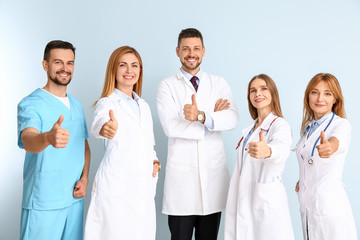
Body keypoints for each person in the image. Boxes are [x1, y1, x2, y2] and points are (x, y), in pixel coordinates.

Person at [157, 28, 239, 240]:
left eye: (195, 49)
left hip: (213, 182)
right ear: (177, 51)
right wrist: (212, 120)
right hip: (181, 186)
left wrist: (201, 116)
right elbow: (170, 127)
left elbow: (231, 119)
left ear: (203, 51)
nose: (190, 54)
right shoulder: (166, 86)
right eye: (185, 49)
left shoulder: (218, 83)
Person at [84, 46, 160, 240]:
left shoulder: (143, 106)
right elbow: (99, 124)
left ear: (140, 71)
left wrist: (155, 161)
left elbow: (148, 144)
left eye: (134, 65)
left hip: (141, 188)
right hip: (116, 188)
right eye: (123, 65)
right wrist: (105, 128)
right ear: (114, 70)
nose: (129, 71)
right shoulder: (107, 103)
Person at [17, 40, 90, 240]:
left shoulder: (76, 105)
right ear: (45, 65)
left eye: (70, 63)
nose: (65, 68)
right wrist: (48, 137)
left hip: (74, 201)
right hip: (44, 202)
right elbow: (28, 140)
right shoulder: (31, 103)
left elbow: (83, 146)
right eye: (58, 62)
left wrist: (84, 178)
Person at [224, 74, 294, 240]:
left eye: (263, 88)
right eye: (253, 91)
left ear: (273, 93)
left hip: (266, 201)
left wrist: (268, 151)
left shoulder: (280, 125)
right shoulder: (250, 129)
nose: (258, 94)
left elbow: (281, 148)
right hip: (245, 198)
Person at [294, 73, 357, 240]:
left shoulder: (341, 125)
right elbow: (310, 161)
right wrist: (304, 178)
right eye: (314, 92)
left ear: (335, 99)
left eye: (327, 93)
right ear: (308, 96)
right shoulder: (308, 128)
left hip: (329, 208)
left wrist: (330, 147)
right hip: (308, 207)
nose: (320, 98)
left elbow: (337, 142)